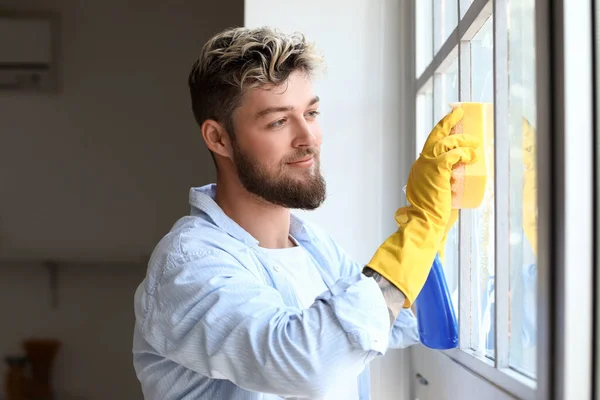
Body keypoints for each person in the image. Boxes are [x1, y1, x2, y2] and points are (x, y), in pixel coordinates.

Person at [132, 26, 481, 399]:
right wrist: (418, 227)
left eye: (311, 112)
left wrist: (435, 228)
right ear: (218, 138)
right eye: (278, 121)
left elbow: (398, 321)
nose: (308, 138)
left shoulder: (312, 246)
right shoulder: (189, 264)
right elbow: (313, 365)